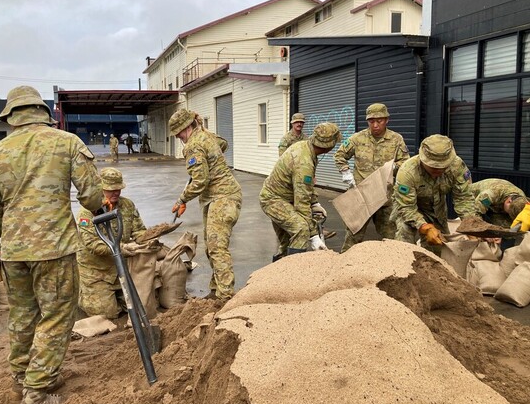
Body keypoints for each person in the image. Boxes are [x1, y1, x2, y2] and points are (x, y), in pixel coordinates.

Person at [0, 85, 104, 404]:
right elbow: (90, 197)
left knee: (21, 314)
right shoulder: (67, 143)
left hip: (13, 252)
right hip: (54, 249)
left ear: (10, 116)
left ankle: (21, 379)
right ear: (43, 113)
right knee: (57, 316)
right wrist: (99, 208)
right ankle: (36, 393)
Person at [168, 108, 242, 301]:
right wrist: (211, 158)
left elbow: (200, 180)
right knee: (211, 247)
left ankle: (226, 298)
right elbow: (223, 143)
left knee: (217, 248)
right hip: (216, 197)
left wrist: (182, 199)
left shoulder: (193, 145)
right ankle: (216, 289)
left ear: (184, 128)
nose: (178, 138)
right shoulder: (205, 135)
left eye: (178, 134)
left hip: (223, 197)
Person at [334, 103, 410, 252]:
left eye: (379, 120)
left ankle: (392, 268)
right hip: (362, 196)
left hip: (385, 197)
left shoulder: (396, 139)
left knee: (391, 237)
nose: (375, 125)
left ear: (387, 120)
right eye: (371, 121)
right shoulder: (357, 138)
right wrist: (345, 172)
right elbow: (340, 155)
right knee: (353, 236)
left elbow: (406, 161)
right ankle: (344, 267)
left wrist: (394, 167)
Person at [260, 122, 342, 260]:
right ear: (329, 146)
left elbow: (306, 186)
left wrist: (314, 202)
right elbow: (301, 205)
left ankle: (279, 269)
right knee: (301, 229)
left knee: (288, 241)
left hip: (284, 197)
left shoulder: (306, 147)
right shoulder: (304, 163)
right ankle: (295, 274)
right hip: (273, 200)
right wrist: (314, 236)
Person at [76, 167, 148, 318]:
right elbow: (92, 245)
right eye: (111, 189)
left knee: (140, 305)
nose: (116, 192)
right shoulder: (88, 211)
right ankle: (81, 294)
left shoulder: (127, 205)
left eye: (118, 189)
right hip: (97, 272)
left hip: (121, 269)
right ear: (101, 188)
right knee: (107, 314)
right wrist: (122, 248)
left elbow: (138, 230)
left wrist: (147, 239)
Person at [392, 134, 477, 254]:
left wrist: (472, 228)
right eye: (433, 166)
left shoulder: (457, 167)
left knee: (439, 247)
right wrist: (425, 227)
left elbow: (464, 199)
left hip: (437, 208)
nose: (438, 170)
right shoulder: (407, 172)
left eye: (443, 166)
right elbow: (407, 207)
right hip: (407, 208)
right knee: (404, 244)